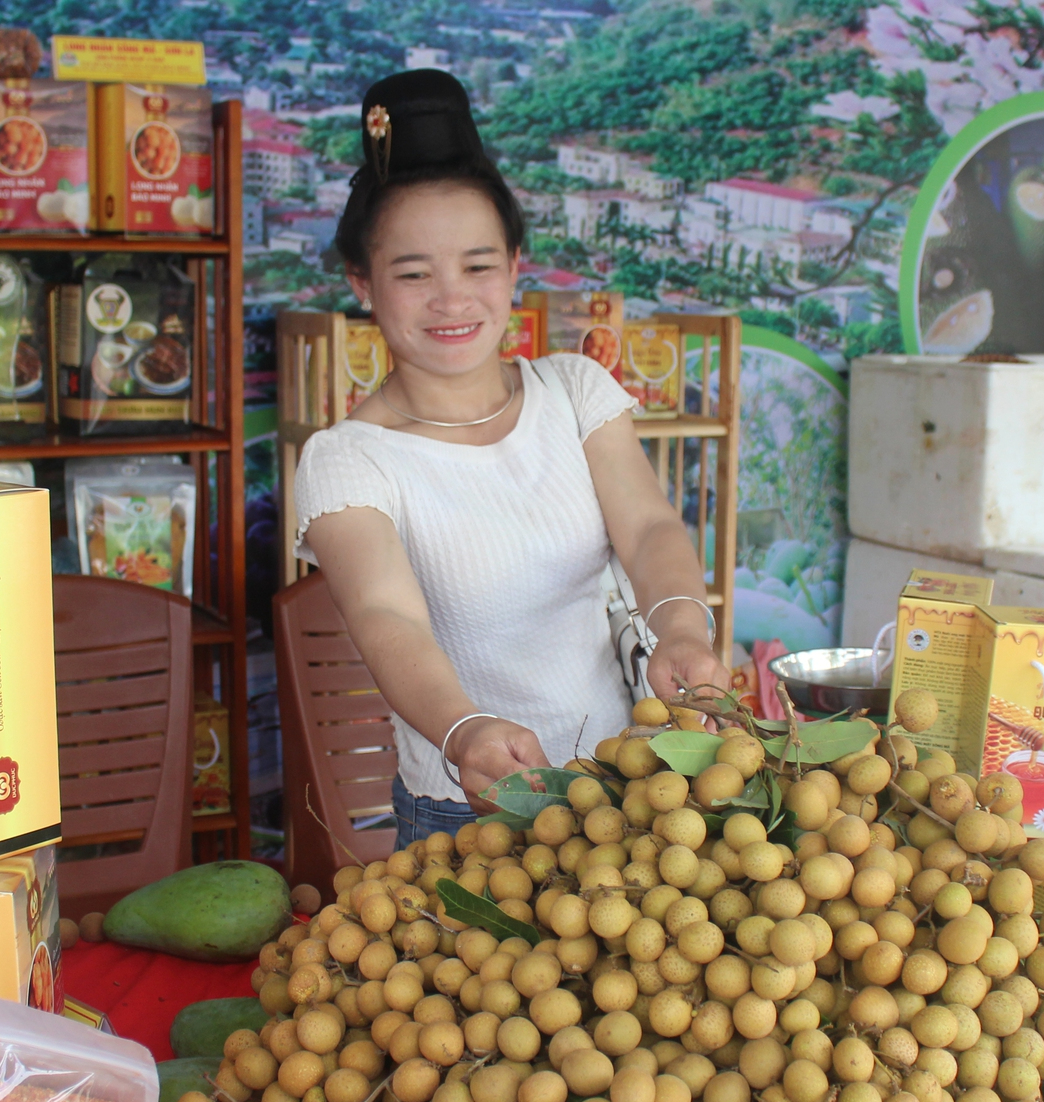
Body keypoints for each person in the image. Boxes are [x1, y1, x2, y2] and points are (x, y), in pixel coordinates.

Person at [293, 69, 731, 847]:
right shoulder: (348, 459)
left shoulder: (574, 390)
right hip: (470, 810)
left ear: (516, 265)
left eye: (477, 265)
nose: (452, 300)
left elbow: (650, 529)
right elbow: (384, 616)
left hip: (626, 784)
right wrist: (462, 732)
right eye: (414, 273)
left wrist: (682, 629)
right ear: (361, 282)